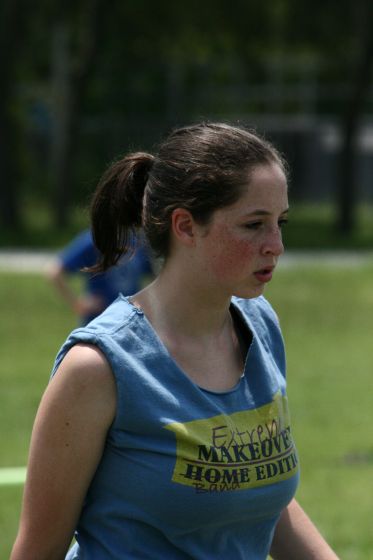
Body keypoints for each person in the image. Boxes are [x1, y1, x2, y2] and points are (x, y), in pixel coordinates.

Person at [11, 123, 339, 559]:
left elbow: (256, 492)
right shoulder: (97, 368)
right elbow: (38, 550)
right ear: (185, 226)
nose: (276, 245)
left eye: (280, 222)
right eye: (254, 224)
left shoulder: (260, 325)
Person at [47, 229, 153, 325]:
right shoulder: (94, 240)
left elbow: (154, 276)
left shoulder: (137, 242)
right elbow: (55, 271)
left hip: (130, 320)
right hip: (99, 320)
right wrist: (78, 304)